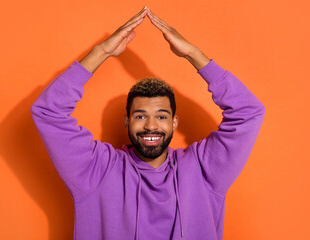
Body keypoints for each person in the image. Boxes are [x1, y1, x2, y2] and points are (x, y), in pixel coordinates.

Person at [31, 6, 266, 240]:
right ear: (126, 121)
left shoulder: (203, 170)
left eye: (162, 116)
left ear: (175, 122)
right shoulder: (97, 170)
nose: (151, 126)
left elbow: (249, 112)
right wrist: (101, 52)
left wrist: (194, 55)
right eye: (140, 116)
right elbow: (47, 112)